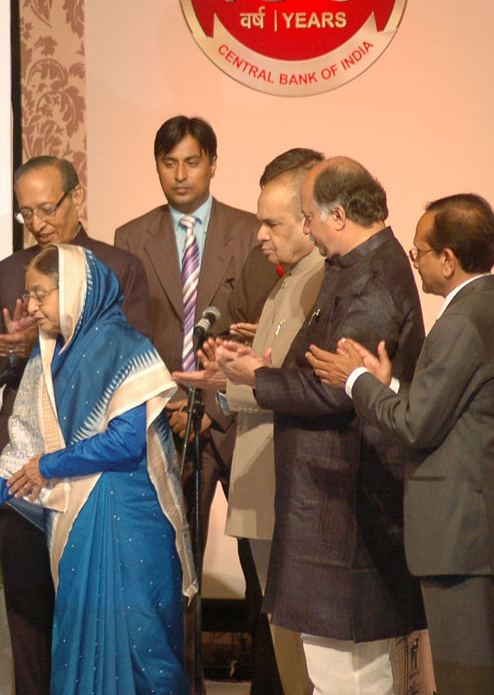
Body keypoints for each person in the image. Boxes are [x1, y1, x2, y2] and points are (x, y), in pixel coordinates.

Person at [306, 194, 494, 695]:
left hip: (463, 543)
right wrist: (387, 386)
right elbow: (457, 413)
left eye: (419, 252)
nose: (415, 262)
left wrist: (355, 381)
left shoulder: (461, 322)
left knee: (470, 684)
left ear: (448, 260)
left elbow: (416, 425)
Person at [221, 157, 426, 695]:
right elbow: (319, 370)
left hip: (348, 508)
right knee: (331, 670)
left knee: (351, 674)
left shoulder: (374, 276)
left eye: (308, 217)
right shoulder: (351, 267)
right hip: (328, 502)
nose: (305, 230)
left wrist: (260, 377)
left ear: (338, 215)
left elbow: (338, 388)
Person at [0, 243, 196, 695]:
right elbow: (23, 441)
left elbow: (125, 443)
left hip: (131, 517)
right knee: (81, 642)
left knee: (144, 648)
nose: (29, 307)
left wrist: (50, 464)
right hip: (77, 522)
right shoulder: (46, 356)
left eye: (40, 294)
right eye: (27, 295)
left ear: (76, 292)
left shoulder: (128, 347)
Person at [0, 155, 154, 695]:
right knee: (28, 613)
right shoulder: (10, 273)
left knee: (95, 614)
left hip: (94, 463)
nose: (38, 223)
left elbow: (129, 362)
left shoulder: (117, 266)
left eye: (47, 208)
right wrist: (13, 353)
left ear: (76, 197)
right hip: (24, 460)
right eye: (26, 213)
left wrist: (46, 346)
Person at [113, 115, 278, 687]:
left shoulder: (252, 230)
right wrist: (171, 402)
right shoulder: (132, 236)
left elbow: (266, 326)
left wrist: (215, 396)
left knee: (265, 568)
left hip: (239, 418)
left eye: (191, 161)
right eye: (168, 162)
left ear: (212, 162)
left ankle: (268, 684)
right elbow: (130, 334)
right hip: (168, 421)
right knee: (175, 569)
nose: (180, 174)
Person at [175, 148, 325, 695]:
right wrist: (223, 380)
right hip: (262, 484)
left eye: (271, 223)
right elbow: (265, 380)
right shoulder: (286, 281)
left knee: (304, 661)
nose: (259, 236)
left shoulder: (322, 283)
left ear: (310, 219)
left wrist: (245, 377)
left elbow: (302, 386)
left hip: (291, 490)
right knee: (284, 649)